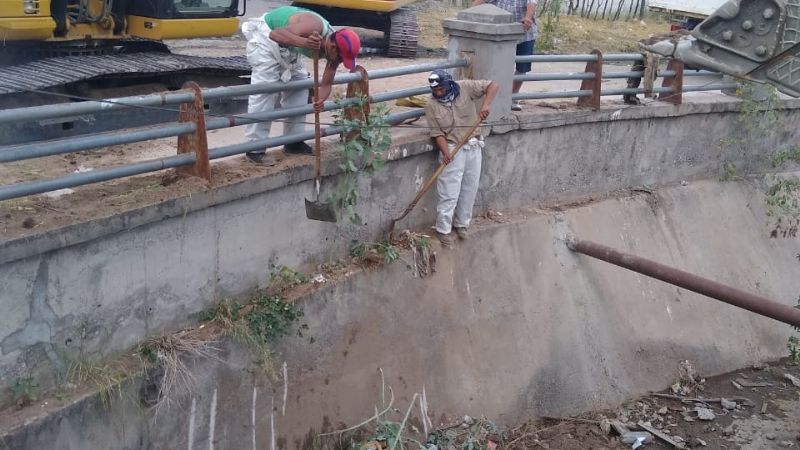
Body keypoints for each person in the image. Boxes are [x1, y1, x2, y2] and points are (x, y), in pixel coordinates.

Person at [241, 6, 361, 164]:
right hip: (267, 40)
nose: (338, 62)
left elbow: (326, 84)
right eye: (340, 58)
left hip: (291, 48)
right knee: (266, 91)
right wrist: (306, 42)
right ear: (332, 47)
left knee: (300, 87)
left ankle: (293, 142)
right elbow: (275, 34)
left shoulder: (334, 50)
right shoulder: (313, 26)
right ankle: (254, 149)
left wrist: (320, 100)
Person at [424, 70, 498, 246]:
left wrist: (485, 105)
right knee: (449, 191)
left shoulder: (465, 87)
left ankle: (462, 224)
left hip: (473, 144)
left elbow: (493, 85)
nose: (438, 93)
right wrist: (445, 152)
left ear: (448, 84)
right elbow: (437, 133)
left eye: (441, 89)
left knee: (469, 187)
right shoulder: (431, 104)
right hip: (452, 146)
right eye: (435, 90)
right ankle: (443, 229)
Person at [472, 0, 537, 111]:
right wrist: (469, 13)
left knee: (522, 66)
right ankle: (493, 98)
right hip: (502, 34)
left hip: (525, 34)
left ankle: (513, 97)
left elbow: (532, 3)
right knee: (498, 67)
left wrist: (528, 18)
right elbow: (480, 1)